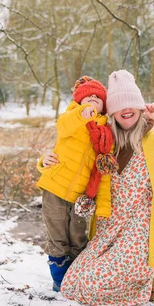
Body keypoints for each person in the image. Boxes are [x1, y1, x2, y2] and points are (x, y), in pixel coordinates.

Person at [50, 70, 154, 306]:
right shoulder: (103, 142)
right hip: (109, 228)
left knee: (92, 285)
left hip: (141, 230)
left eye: (131, 104)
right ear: (112, 112)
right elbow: (69, 149)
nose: (126, 110)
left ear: (139, 107)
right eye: (119, 106)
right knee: (72, 284)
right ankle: (152, 278)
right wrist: (44, 160)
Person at [36, 76, 115, 292]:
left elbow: (105, 172)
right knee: (57, 237)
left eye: (97, 98)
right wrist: (81, 114)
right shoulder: (70, 119)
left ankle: (76, 279)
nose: (92, 100)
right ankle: (60, 281)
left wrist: (104, 207)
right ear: (79, 102)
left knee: (78, 239)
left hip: (83, 197)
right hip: (55, 189)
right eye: (88, 97)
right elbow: (64, 125)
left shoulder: (106, 134)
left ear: (104, 106)